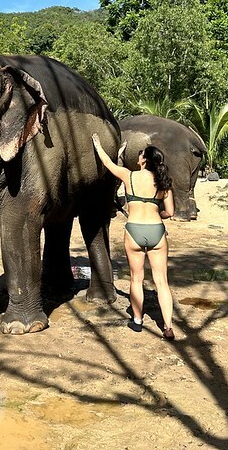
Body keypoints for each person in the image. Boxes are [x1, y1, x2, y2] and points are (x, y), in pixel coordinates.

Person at [92, 134, 176, 340]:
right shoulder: (163, 182)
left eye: (141, 154)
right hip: (157, 231)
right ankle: (168, 327)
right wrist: (157, 213)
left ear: (144, 160)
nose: (138, 156)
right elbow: (170, 212)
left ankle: (137, 321)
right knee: (161, 281)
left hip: (134, 231)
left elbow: (107, 163)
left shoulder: (129, 176)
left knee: (136, 278)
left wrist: (97, 144)